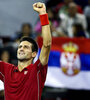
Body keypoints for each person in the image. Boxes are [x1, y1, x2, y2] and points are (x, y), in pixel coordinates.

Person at [0, 2, 51, 100]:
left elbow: (47, 44)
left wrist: (43, 13)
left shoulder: (37, 70)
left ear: (34, 54)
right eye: (20, 47)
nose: (21, 49)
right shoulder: (6, 70)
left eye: (26, 47)